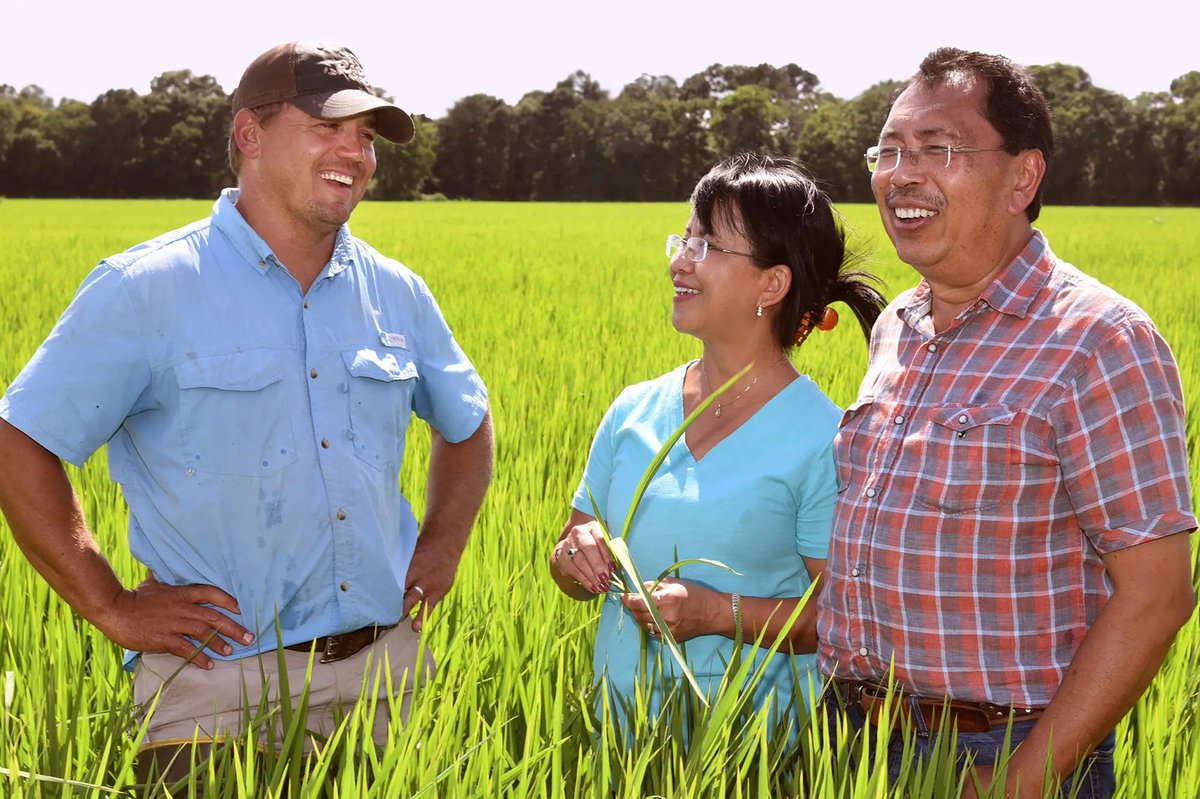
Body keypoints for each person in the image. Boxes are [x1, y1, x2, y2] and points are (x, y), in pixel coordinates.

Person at [0, 41, 493, 781]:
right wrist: (109, 604)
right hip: (215, 693)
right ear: (249, 135)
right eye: (328, 128)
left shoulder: (398, 293)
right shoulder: (146, 288)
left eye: (365, 136)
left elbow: (468, 422)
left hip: (382, 683)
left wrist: (443, 547)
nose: (354, 152)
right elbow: (20, 439)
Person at [817, 47, 1196, 798]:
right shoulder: (899, 322)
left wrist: (1018, 781)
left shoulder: (1100, 339)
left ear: (1023, 177)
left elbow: (1158, 593)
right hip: (854, 739)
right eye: (888, 150)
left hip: (1005, 750)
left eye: (938, 149)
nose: (902, 173)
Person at [550, 153, 885, 739]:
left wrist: (715, 613)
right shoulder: (634, 408)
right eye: (682, 240)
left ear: (772, 283)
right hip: (617, 739)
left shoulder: (824, 438)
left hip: (751, 751)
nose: (680, 261)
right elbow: (567, 567)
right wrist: (574, 556)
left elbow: (845, 620)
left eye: (705, 245)